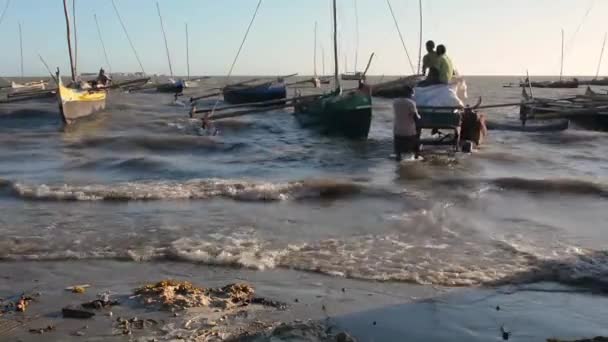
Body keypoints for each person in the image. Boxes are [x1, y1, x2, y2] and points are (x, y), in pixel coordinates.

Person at [393, 86, 421, 161]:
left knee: (398, 151)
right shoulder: (411, 103)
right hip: (409, 133)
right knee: (417, 134)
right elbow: (416, 118)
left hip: (397, 132)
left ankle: (398, 157)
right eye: (412, 94)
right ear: (409, 93)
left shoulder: (395, 102)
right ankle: (416, 156)